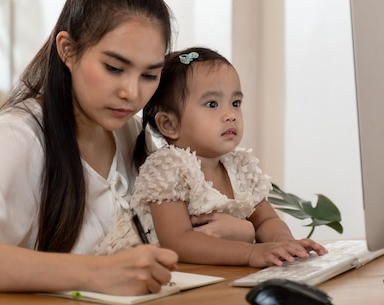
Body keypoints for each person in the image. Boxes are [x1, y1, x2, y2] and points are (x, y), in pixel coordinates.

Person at [0, 0, 181, 296]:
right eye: (114, 68)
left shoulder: (128, 131)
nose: (132, 93)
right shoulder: (18, 134)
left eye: (149, 75)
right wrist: (96, 273)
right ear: (68, 51)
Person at [95, 47, 327, 267]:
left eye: (235, 103)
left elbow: (266, 220)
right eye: (212, 104)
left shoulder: (240, 165)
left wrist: (284, 243)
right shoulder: (168, 167)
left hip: (204, 274)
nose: (230, 115)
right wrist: (251, 252)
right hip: (139, 274)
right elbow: (178, 242)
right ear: (169, 124)